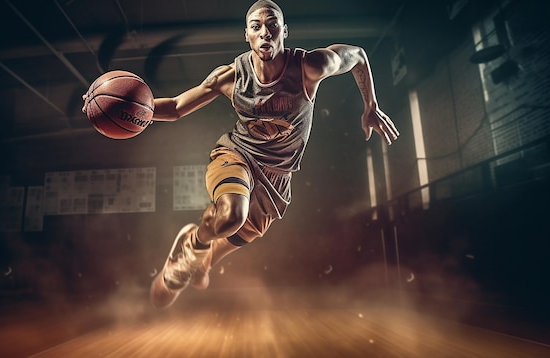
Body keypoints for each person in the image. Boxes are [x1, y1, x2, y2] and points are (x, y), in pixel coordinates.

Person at [145, 0, 398, 308]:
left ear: (284, 32)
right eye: (256, 27)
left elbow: (358, 55)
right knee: (231, 217)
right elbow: (174, 107)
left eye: (272, 25)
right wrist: (135, 110)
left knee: (238, 234)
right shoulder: (231, 77)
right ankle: (191, 247)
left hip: (277, 176)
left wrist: (371, 105)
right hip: (237, 155)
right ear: (247, 35)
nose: (265, 32)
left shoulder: (309, 66)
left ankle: (204, 261)